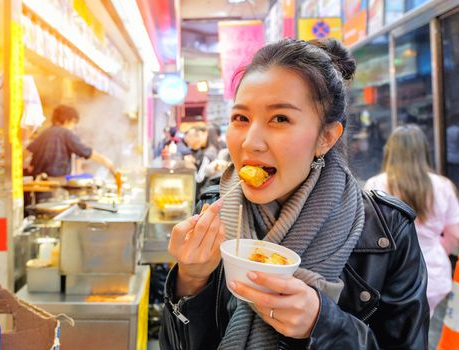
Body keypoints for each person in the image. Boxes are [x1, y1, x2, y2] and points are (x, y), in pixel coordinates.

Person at [160, 38, 429, 349]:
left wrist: (325, 324)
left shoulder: (387, 231)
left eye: (280, 119)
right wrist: (191, 282)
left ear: (326, 137)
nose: (250, 142)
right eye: (241, 118)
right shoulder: (212, 212)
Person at [364, 124, 459, 317]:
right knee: (423, 324)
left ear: (389, 151)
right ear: (424, 151)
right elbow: (454, 233)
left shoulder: (375, 185)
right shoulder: (443, 185)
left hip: (390, 276)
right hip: (434, 273)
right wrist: (436, 249)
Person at [26, 105, 118, 178]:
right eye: (74, 123)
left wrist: (29, 166)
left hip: (38, 183)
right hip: (56, 184)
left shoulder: (45, 132)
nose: (73, 127)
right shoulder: (66, 134)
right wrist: (108, 163)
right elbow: (85, 151)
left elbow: (27, 151)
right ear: (67, 121)